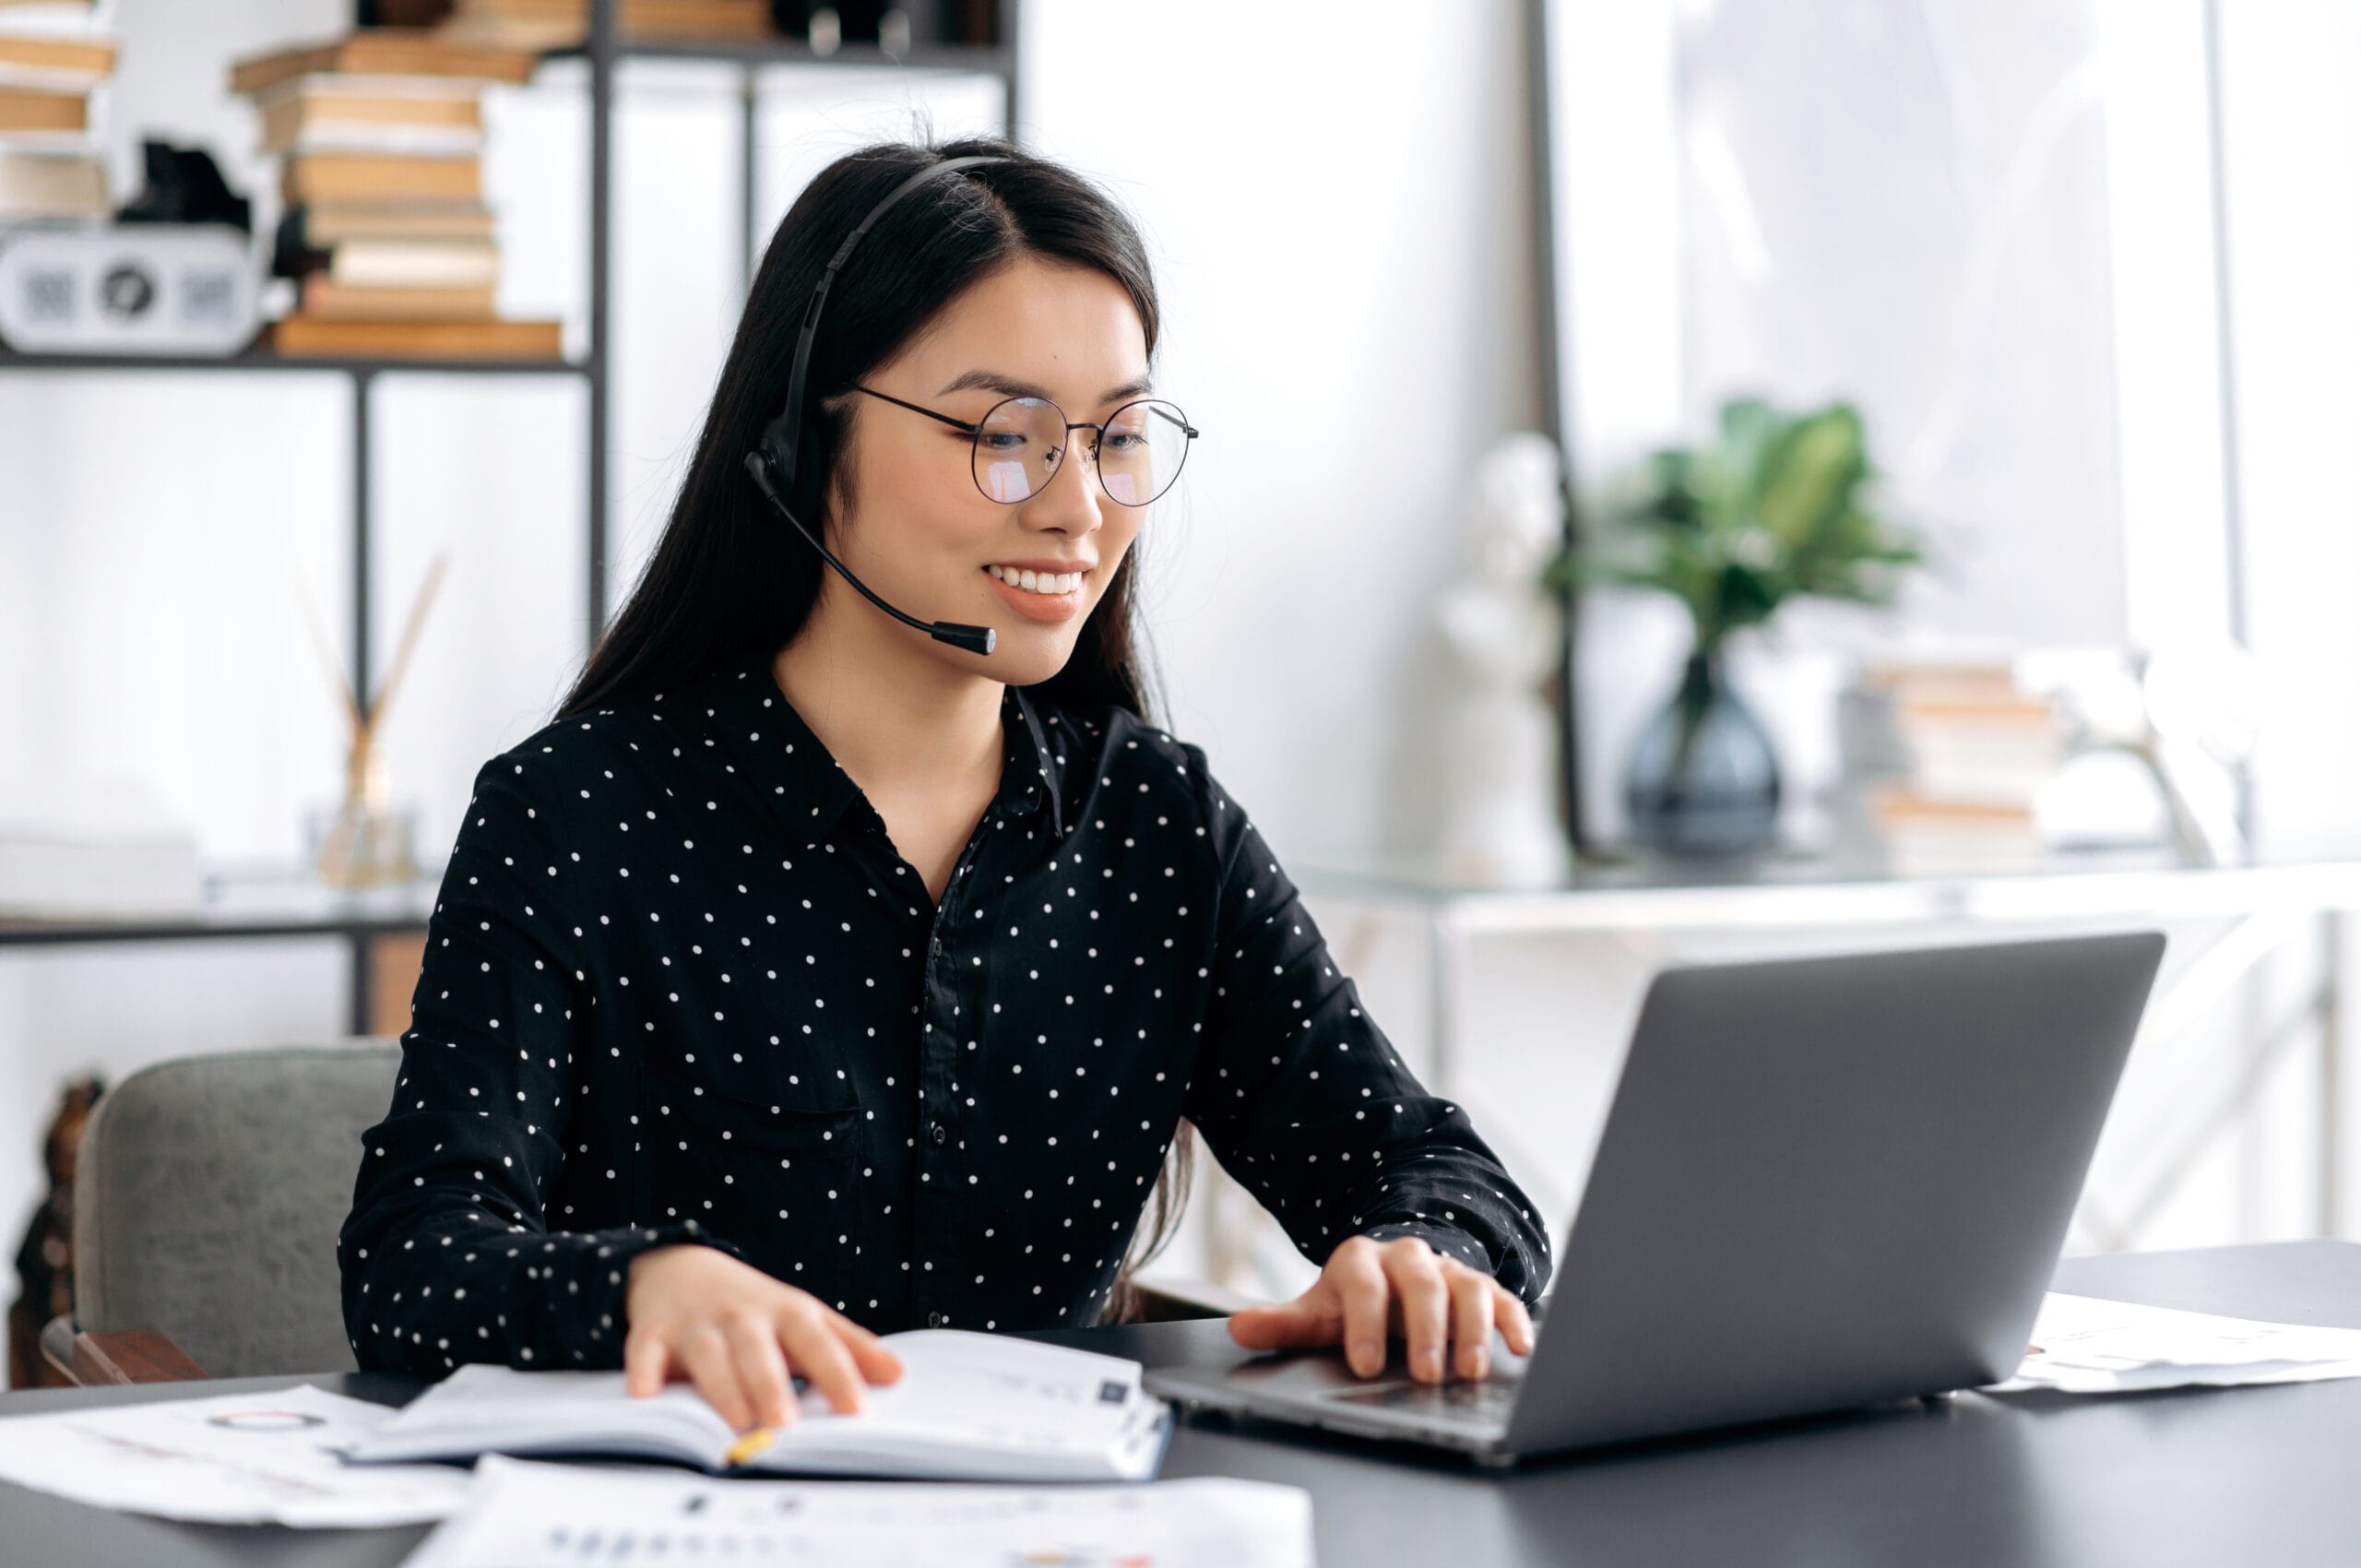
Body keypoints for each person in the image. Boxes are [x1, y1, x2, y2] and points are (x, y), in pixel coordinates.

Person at [338, 136, 1552, 1437]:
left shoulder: (1155, 828)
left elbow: (1442, 1173)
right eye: (1003, 435)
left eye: (1116, 439)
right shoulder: (579, 816)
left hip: (1059, 1518)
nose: (1078, 508)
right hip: (703, 1509)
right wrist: (642, 1288)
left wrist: (1424, 1258)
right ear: (807, 444)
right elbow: (413, 1262)